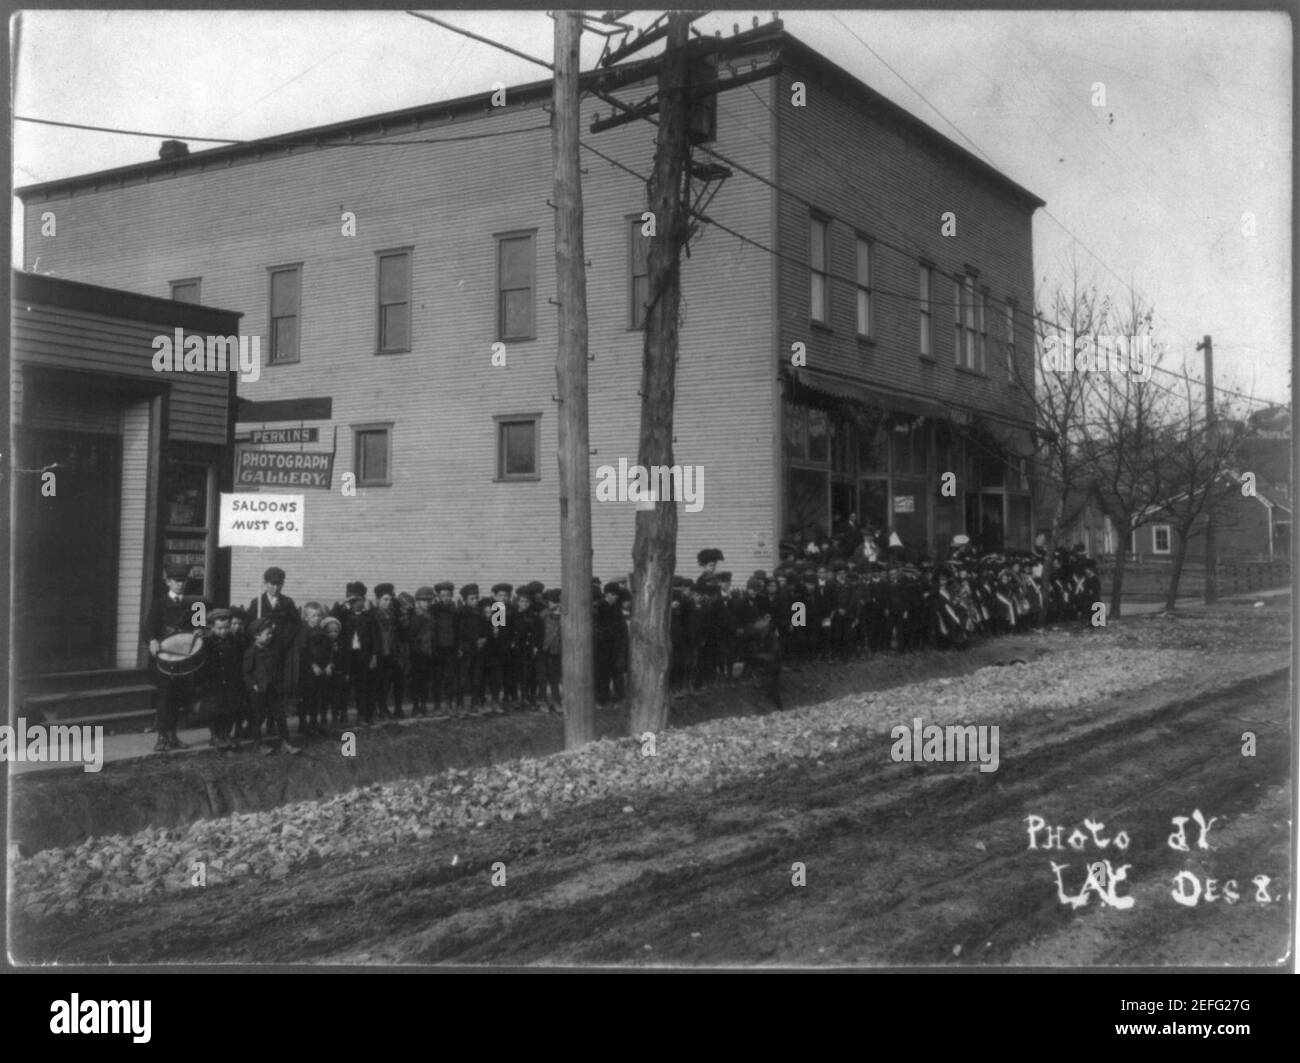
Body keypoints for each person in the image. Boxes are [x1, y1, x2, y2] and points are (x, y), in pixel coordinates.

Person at [140, 562, 210, 752]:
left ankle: (173, 736)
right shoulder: (159, 604)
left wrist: (199, 631)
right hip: (165, 658)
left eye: (183, 581)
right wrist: (153, 641)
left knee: (178, 698)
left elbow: (201, 628)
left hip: (184, 661)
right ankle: (162, 737)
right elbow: (147, 630)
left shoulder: (196, 604)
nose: (180, 584)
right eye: (176, 581)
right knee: (165, 698)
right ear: (168, 582)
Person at [243, 617, 300, 755]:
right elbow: (246, 673)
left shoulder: (272, 650)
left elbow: (277, 668)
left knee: (280, 716)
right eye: (267, 634)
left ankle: (285, 743)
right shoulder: (251, 652)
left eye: (271, 633)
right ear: (256, 636)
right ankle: (258, 744)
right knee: (258, 718)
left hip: (273, 689)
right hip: (258, 691)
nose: (270, 636)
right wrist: (253, 685)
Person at [248, 566, 300, 707]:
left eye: (279, 584)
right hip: (262, 650)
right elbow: (250, 625)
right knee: (262, 683)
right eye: (272, 584)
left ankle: (273, 721)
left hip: (279, 650)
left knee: (277, 686)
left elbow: (295, 625)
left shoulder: (287, 603)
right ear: (265, 584)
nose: (276, 588)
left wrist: (285, 642)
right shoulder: (257, 603)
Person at [200, 608, 241, 750]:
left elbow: (238, 661)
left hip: (230, 681)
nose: (223, 631)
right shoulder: (207, 643)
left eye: (226, 628)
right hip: (213, 681)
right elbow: (203, 664)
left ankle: (226, 734)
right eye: (219, 628)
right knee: (214, 710)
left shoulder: (235, 641)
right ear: (212, 627)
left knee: (230, 708)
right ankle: (215, 736)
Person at [537, 588, 563, 714]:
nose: (555, 605)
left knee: (555, 677)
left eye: (557, 602)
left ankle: (556, 700)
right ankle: (543, 700)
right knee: (542, 676)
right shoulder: (543, 615)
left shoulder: (564, 615)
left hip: (556, 650)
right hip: (543, 650)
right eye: (552, 602)